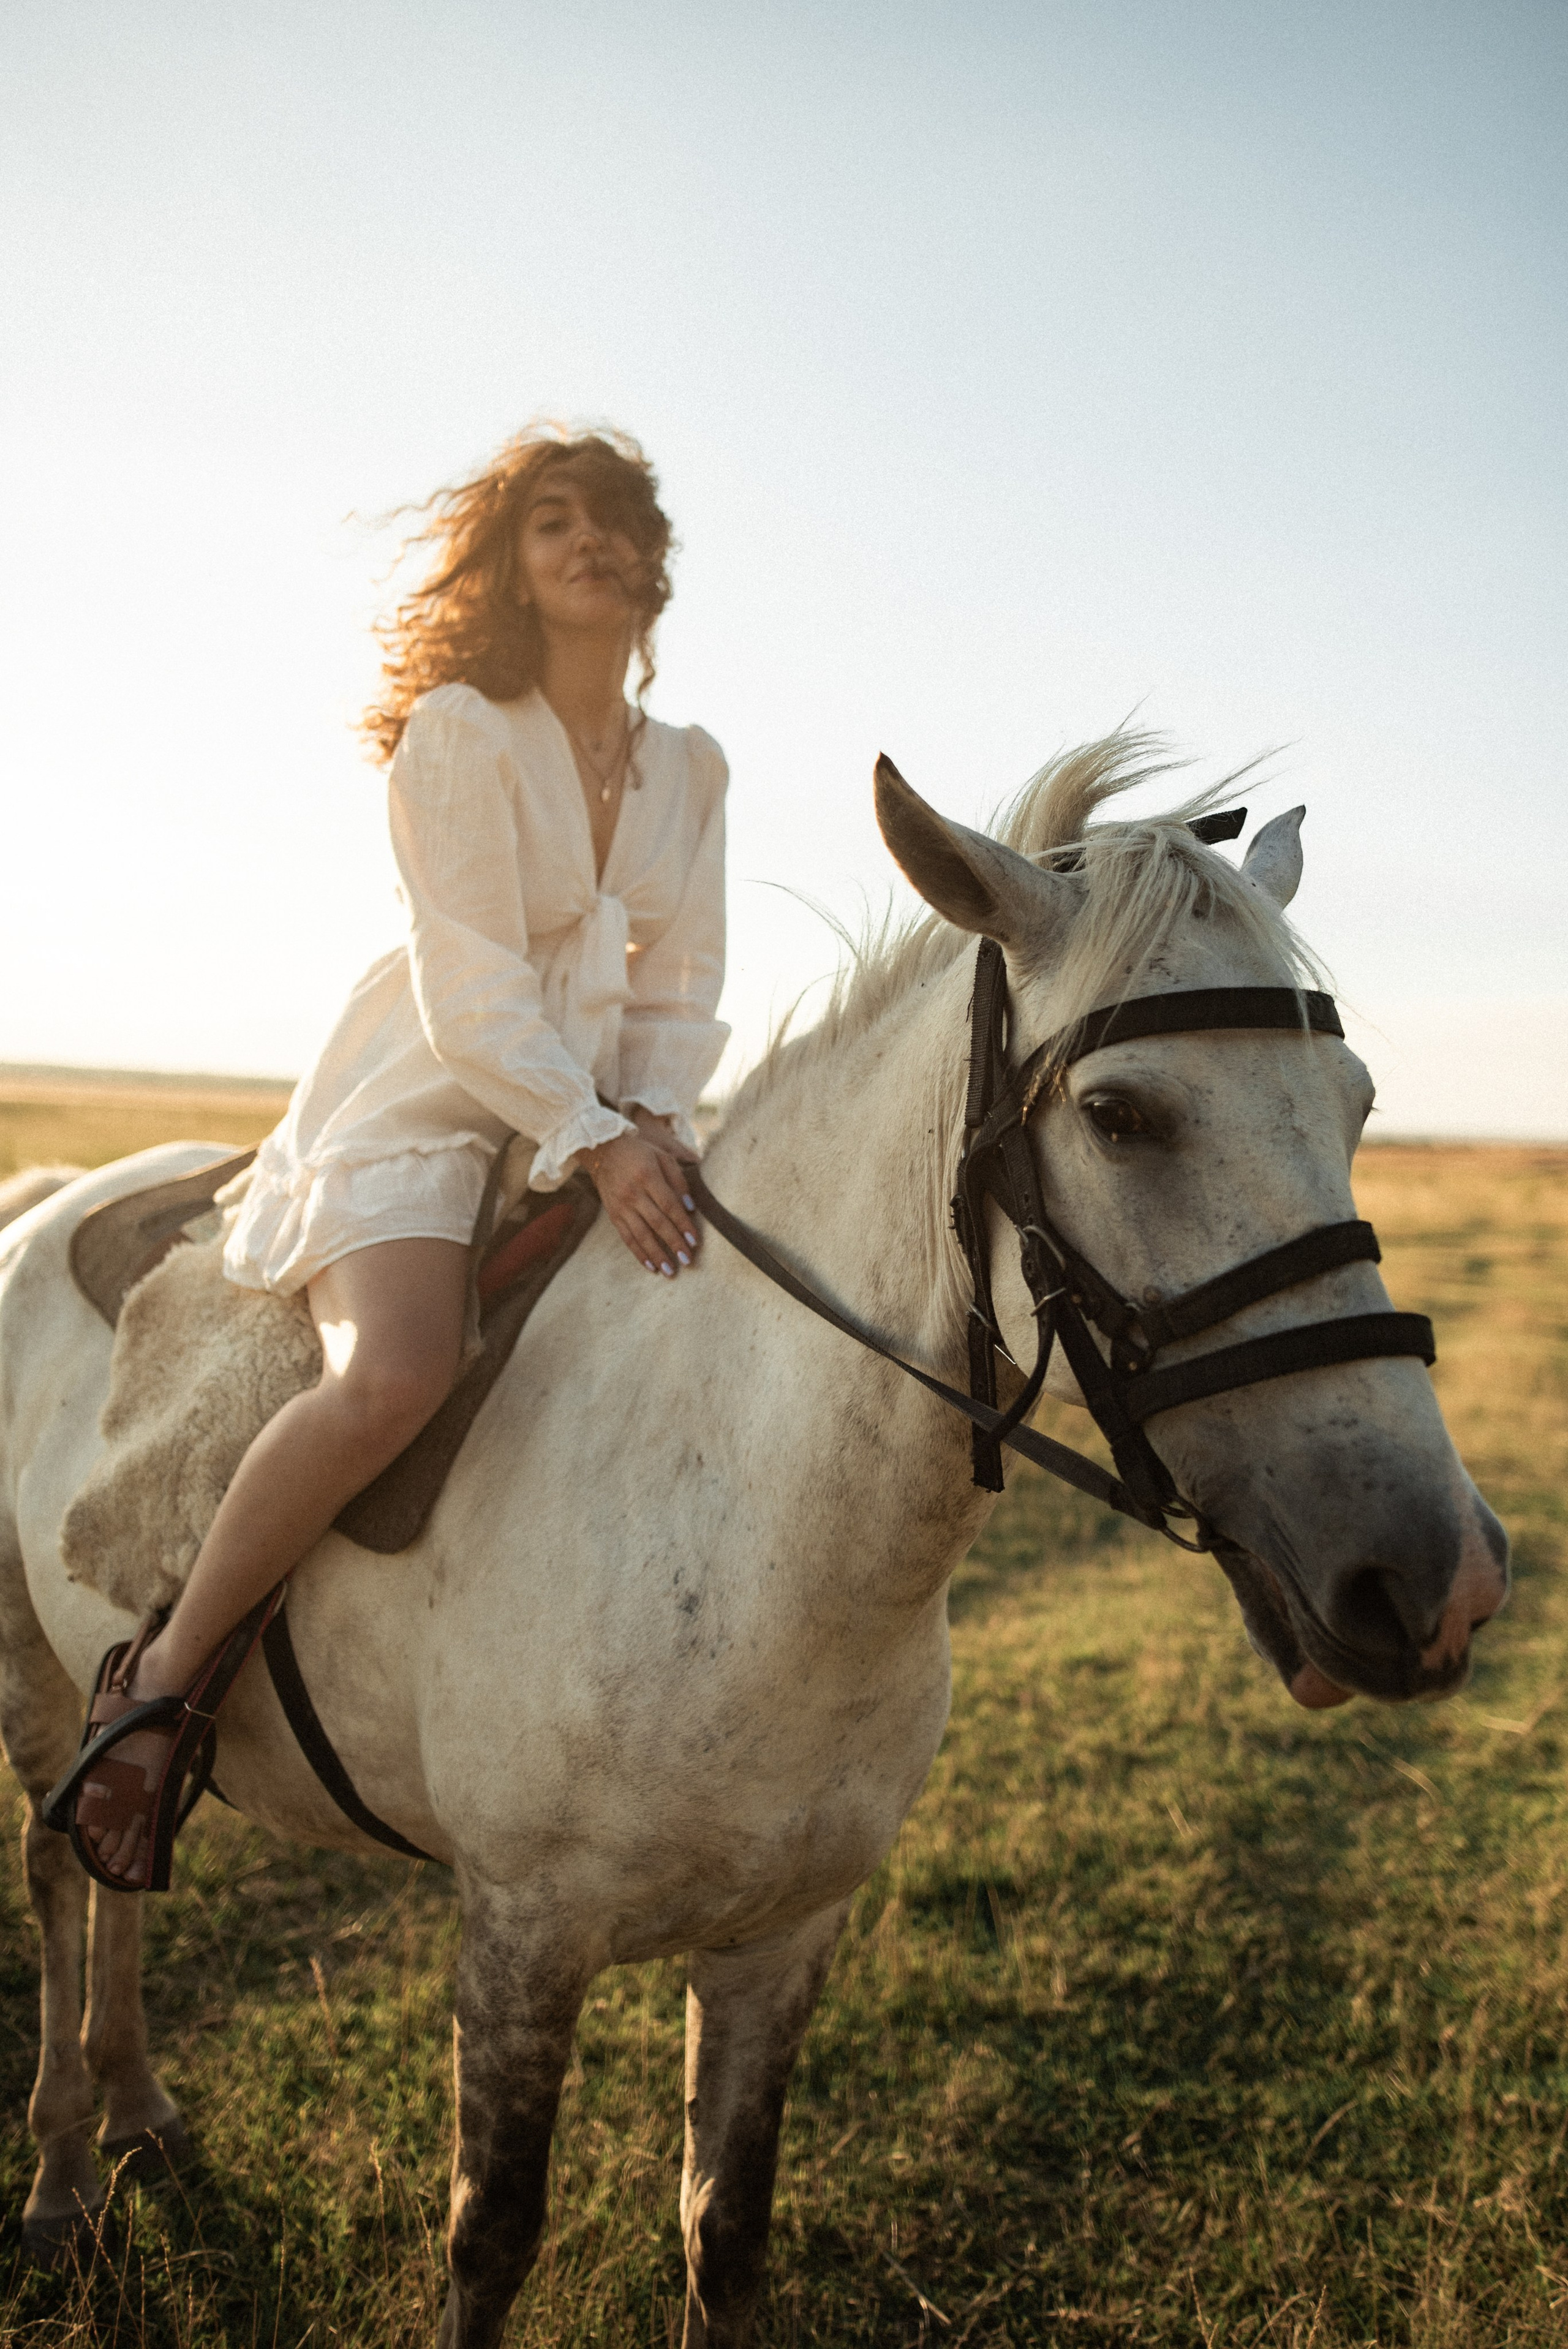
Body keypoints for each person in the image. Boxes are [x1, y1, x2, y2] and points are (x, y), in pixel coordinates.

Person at [64, 425, 729, 1888]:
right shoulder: (461, 732)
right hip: (436, 1092)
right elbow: (471, 984)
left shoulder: (692, 766)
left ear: (650, 556)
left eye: (611, 517)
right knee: (396, 1373)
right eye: (550, 520)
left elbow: (682, 977)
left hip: (607, 1103)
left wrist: (651, 1117)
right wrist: (591, 1138)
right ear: (512, 566)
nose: (586, 540)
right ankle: (159, 1686)